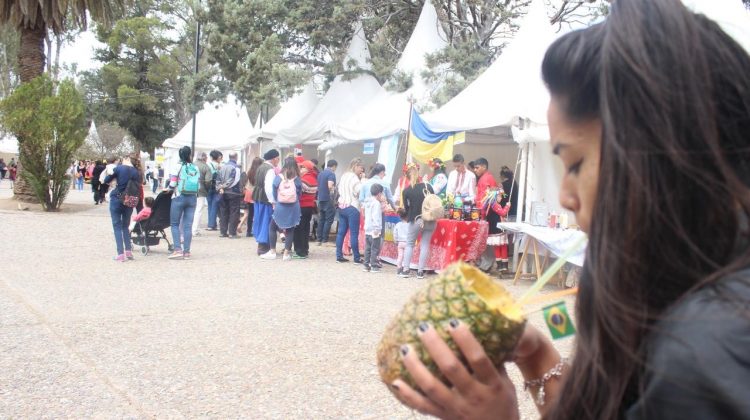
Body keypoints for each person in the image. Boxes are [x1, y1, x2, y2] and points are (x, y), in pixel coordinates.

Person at [390, 1, 750, 418]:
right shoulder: (687, 297)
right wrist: (540, 359)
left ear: (664, 150)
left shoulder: (705, 355)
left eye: (575, 163)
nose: (565, 195)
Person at [103, 153, 141, 262]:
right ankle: (128, 251)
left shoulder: (118, 168)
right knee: (125, 225)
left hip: (117, 198)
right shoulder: (136, 172)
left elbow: (106, 180)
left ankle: (120, 253)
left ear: (126, 159)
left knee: (117, 226)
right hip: (129, 200)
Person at [262, 157, 302, 261]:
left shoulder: (279, 177)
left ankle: (272, 252)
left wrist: (277, 200)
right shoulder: (297, 178)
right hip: (293, 206)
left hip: (280, 206)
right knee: (290, 229)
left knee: (272, 227)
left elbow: (274, 191)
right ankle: (286, 254)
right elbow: (299, 194)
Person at [400, 165, 435, 279]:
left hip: (416, 219)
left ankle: (406, 270)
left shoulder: (407, 191)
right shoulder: (428, 186)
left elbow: (406, 208)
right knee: (425, 244)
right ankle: (420, 272)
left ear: (407, 176)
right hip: (430, 219)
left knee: (410, 244)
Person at [166, 146, 199, 260]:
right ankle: (187, 252)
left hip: (179, 196)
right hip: (192, 197)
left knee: (175, 224)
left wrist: (168, 189)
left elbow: (173, 184)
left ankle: (177, 249)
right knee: (188, 225)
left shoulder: (177, 166)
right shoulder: (195, 167)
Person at [335, 157, 364, 264]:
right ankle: (356, 258)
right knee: (354, 233)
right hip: (352, 206)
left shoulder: (344, 175)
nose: (361, 170)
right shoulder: (354, 178)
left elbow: (339, 189)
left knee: (341, 232)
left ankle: (338, 255)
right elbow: (359, 191)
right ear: (355, 166)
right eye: (360, 167)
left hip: (342, 205)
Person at [253, 149, 281, 256]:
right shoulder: (270, 170)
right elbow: (269, 187)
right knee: (266, 222)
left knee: (259, 220)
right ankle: (263, 246)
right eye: (278, 158)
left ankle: (261, 245)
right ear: (274, 159)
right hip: (266, 199)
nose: (278, 161)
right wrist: (273, 201)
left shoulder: (260, 167)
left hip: (258, 197)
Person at [293, 160, 318, 259]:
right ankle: (305, 249)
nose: (300, 169)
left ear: (307, 169)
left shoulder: (303, 180)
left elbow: (298, 193)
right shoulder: (314, 179)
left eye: (302, 167)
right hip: (309, 207)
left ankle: (299, 251)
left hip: (301, 206)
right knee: (306, 228)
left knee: (299, 229)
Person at [215, 152, 242, 238]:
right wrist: (225, 186)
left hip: (223, 193)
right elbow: (234, 180)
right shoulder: (236, 168)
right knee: (234, 212)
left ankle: (223, 232)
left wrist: (220, 188)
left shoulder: (222, 167)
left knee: (224, 212)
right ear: (236, 157)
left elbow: (218, 179)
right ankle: (232, 233)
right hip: (233, 192)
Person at [362, 183, 385, 273]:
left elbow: (364, 213)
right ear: (379, 194)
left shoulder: (367, 201)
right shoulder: (376, 203)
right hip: (374, 230)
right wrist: (377, 228)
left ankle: (366, 264)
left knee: (367, 248)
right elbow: (376, 217)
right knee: (374, 248)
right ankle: (374, 265)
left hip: (367, 228)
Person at [191, 153, 214, 237]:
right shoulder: (206, 167)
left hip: (189, 190)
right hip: (201, 190)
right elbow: (208, 181)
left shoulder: (191, 165)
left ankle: (187, 228)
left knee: (190, 210)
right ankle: (194, 230)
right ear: (204, 158)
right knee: (198, 210)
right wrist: (207, 189)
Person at [316, 159, 338, 246]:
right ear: (334, 166)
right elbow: (330, 185)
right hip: (328, 199)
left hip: (320, 198)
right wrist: (334, 191)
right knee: (328, 220)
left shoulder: (320, 173)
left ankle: (319, 239)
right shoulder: (331, 174)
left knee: (321, 219)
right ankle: (325, 240)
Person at [241, 157, 264, 237]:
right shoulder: (260, 172)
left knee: (250, 213)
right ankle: (256, 230)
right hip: (256, 193)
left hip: (249, 192)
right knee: (257, 212)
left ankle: (248, 231)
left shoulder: (249, 171)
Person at [205, 150, 223, 231]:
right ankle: (212, 224)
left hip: (208, 187)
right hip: (217, 188)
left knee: (209, 206)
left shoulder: (208, 165)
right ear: (218, 157)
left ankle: (210, 224)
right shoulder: (220, 166)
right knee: (215, 205)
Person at [393, 208, 410, 277]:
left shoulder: (398, 224)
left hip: (400, 243)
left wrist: (395, 240)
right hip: (407, 243)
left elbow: (394, 233)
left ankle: (399, 268)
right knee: (406, 256)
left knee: (400, 256)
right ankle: (406, 268)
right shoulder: (409, 225)